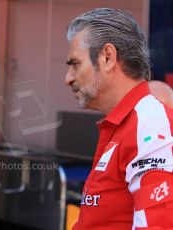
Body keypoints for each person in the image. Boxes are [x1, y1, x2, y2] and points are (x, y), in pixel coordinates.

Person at [65, 8, 173, 229]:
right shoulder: (124, 124)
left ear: (108, 57)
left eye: (75, 64)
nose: (68, 78)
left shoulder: (149, 124)